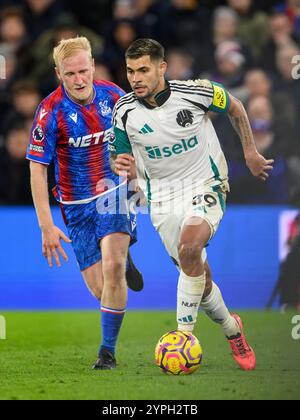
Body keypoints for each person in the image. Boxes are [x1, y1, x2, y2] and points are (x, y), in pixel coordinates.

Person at [110, 39, 274, 371]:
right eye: (130, 71)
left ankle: (183, 336)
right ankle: (232, 329)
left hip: (206, 184)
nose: (136, 78)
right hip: (162, 198)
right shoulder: (123, 112)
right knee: (199, 275)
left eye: (143, 69)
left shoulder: (196, 92)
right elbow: (120, 156)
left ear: (161, 67)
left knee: (189, 248)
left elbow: (235, 106)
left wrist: (249, 152)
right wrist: (123, 169)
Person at [26, 36, 143, 371]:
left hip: (112, 192)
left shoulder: (116, 98)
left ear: (93, 65)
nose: (79, 80)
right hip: (76, 207)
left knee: (112, 267)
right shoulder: (50, 112)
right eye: (70, 74)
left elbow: (138, 141)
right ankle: (123, 256)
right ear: (58, 74)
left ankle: (107, 353)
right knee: (101, 290)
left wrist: (137, 181)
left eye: (83, 71)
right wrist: (47, 226)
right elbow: (37, 170)